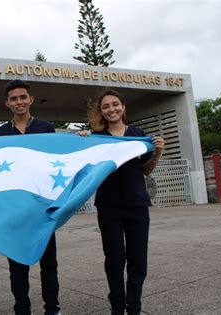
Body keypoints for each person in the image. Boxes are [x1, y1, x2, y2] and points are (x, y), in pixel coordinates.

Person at [84, 90, 164, 315]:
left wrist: (157, 152)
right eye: (106, 106)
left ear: (123, 107)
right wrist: (81, 141)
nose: (111, 109)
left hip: (137, 205)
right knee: (114, 260)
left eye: (115, 104)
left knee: (138, 260)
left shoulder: (138, 135)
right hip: (109, 207)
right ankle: (117, 307)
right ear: (101, 111)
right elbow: (86, 165)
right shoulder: (97, 138)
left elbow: (145, 170)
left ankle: (134, 306)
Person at [0, 79, 60, 315]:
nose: (19, 102)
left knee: (49, 265)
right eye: (14, 98)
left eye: (23, 97)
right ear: (7, 103)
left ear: (31, 100)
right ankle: (22, 309)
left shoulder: (46, 128)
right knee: (17, 267)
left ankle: (52, 308)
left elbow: (57, 163)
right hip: (14, 211)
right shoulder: (0, 133)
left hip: (42, 209)